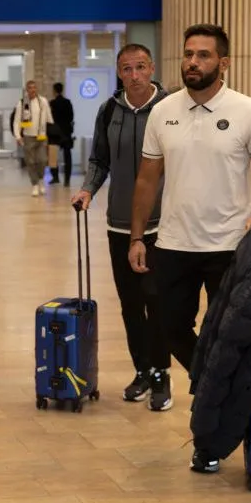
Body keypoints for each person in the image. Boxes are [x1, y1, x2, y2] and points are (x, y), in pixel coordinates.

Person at [128, 23, 251, 474]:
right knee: (171, 329)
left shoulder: (248, 111)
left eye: (203, 55)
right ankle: (217, 387)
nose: (192, 62)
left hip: (231, 248)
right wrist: (139, 236)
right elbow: (146, 179)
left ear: (224, 63)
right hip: (173, 244)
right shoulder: (163, 112)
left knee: (230, 338)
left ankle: (209, 439)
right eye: (188, 54)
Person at [71, 44, 172, 412]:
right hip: (118, 223)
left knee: (156, 301)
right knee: (130, 303)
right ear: (119, 72)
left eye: (140, 67)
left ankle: (162, 373)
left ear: (152, 68)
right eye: (126, 69)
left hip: (163, 224)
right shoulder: (109, 110)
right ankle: (142, 370)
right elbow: (100, 159)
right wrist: (87, 189)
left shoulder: (172, 107)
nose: (134, 76)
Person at [11, 80, 53, 196]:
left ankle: (41, 180)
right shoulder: (22, 103)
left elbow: (49, 117)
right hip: (28, 136)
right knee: (30, 161)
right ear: (27, 90)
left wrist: (53, 131)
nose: (32, 90)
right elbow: (16, 121)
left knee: (43, 160)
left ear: (37, 89)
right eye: (30, 88)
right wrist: (18, 135)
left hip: (42, 135)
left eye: (34, 87)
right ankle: (35, 184)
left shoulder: (43, 101)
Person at [48, 82, 75, 186]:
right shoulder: (67, 102)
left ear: (54, 91)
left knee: (53, 156)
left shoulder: (52, 103)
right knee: (67, 156)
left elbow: (50, 118)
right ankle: (67, 180)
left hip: (54, 133)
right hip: (66, 133)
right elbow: (71, 117)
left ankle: (55, 177)